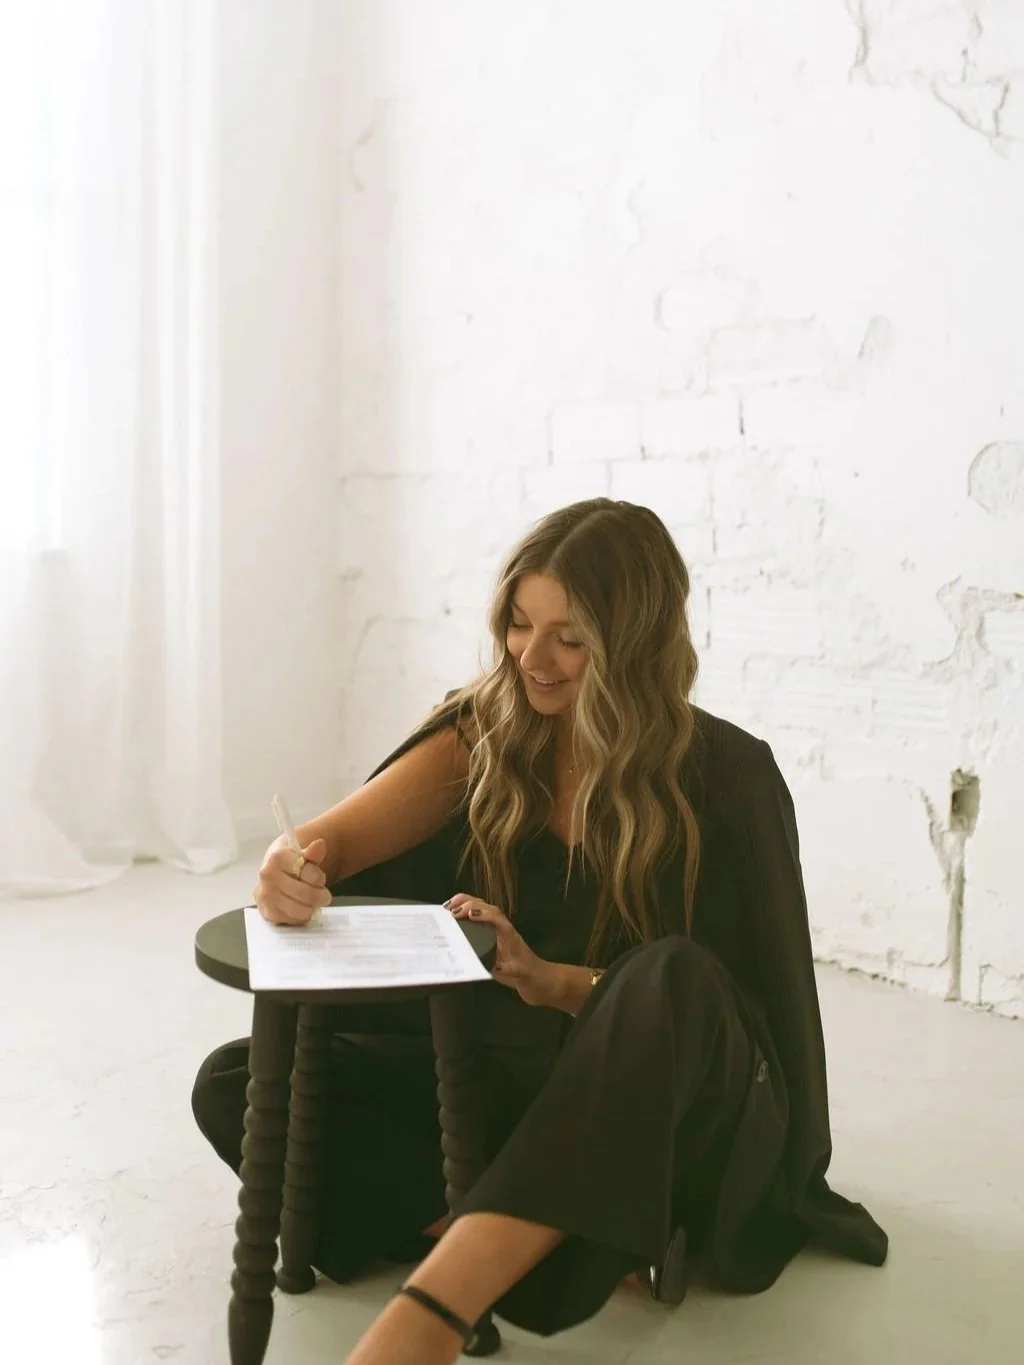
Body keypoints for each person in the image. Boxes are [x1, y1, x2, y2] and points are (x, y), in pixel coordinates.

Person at [191, 497, 888, 1365]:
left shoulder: (729, 776)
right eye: (519, 624)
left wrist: (550, 977)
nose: (532, 656)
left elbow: (755, 1020)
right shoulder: (484, 731)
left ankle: (428, 1316)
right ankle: (547, 1232)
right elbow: (321, 847)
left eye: (569, 635)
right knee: (237, 1084)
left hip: (668, 1110)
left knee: (669, 974)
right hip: (519, 1090)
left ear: (633, 641)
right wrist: (284, 874)